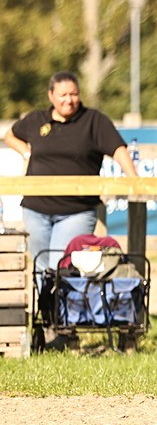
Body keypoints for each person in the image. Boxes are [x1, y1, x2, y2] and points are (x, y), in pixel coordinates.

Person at [3, 72, 138, 274]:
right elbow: (10, 135)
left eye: (74, 94)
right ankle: (45, 306)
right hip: (35, 209)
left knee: (61, 265)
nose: (69, 100)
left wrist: (134, 179)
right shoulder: (36, 120)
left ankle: (60, 306)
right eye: (63, 95)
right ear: (51, 95)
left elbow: (118, 149)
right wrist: (26, 153)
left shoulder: (94, 121)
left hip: (77, 210)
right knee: (41, 267)